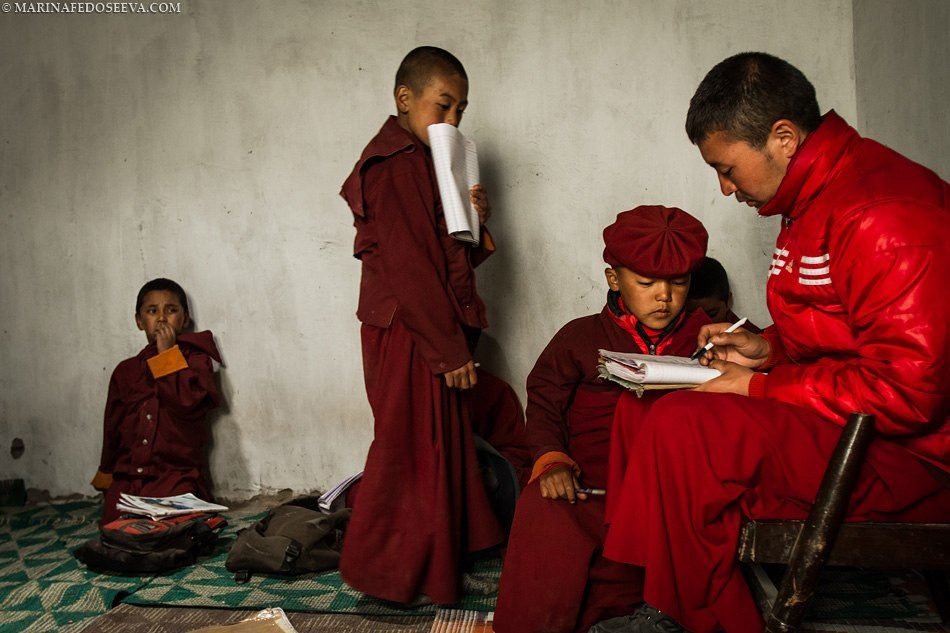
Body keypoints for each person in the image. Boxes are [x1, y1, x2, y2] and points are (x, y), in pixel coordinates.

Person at [595, 52, 950, 633]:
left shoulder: (884, 213)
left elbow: (909, 390)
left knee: (687, 429)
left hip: (914, 459)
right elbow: (848, 332)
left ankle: (696, 618)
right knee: (647, 409)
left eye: (728, 168)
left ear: (783, 138)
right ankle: (662, 599)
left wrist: (762, 386)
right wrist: (771, 349)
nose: (725, 187)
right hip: (850, 429)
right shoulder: (815, 197)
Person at [338, 46, 528, 605]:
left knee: (438, 444)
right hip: (408, 330)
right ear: (404, 99)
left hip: (425, 325)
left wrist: (473, 221)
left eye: (460, 112)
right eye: (442, 107)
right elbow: (411, 269)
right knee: (408, 447)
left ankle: (436, 560)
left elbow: (445, 258)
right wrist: (450, 353)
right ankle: (385, 574)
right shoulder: (394, 164)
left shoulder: (425, 163)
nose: (452, 122)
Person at [494, 206, 711, 633]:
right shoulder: (580, 336)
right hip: (587, 482)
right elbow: (543, 402)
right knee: (544, 511)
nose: (663, 296)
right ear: (615, 280)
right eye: (646, 283)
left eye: (678, 283)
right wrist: (552, 458)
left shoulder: (709, 337)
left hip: (670, 488)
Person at [92, 278, 222, 524]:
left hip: (174, 476)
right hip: (129, 477)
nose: (161, 318)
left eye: (171, 310)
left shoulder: (196, 361)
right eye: (152, 311)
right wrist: (107, 472)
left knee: (176, 526)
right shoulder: (126, 371)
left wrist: (167, 355)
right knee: (114, 525)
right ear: (139, 321)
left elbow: (186, 402)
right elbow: (112, 426)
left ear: (184, 319)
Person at [685, 256, 762, 333]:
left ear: (728, 302)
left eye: (712, 314)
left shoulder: (751, 337)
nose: (703, 325)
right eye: (692, 316)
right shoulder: (678, 333)